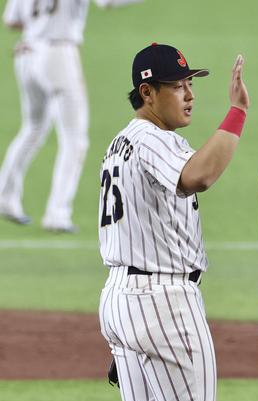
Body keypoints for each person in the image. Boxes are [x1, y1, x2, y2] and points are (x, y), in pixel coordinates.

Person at [97, 43, 248, 401]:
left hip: (122, 294)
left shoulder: (120, 143)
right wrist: (237, 113)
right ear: (147, 93)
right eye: (177, 84)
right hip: (162, 296)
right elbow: (200, 175)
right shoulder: (151, 139)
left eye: (191, 82)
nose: (189, 92)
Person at [0, 0, 142, 231]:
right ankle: (58, 214)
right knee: (74, 140)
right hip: (58, 54)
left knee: (32, 128)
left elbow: (11, 21)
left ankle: (5, 198)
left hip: (26, 52)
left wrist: (40, 24)